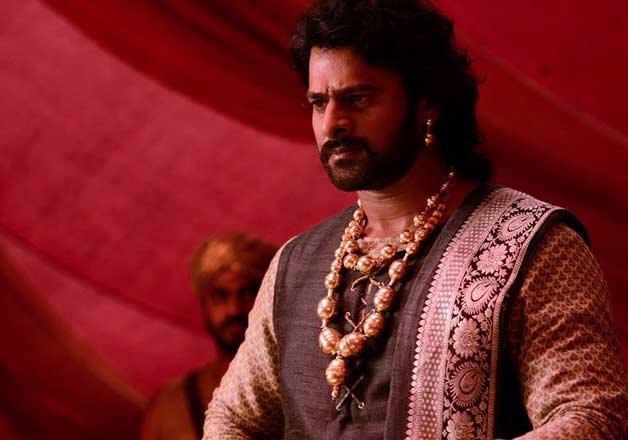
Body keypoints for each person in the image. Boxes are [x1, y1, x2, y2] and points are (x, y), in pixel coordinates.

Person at [203, 1, 628, 439]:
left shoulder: (532, 246)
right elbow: (231, 419)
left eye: (358, 99)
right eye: (319, 102)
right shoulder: (295, 266)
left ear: (428, 103)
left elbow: (591, 418)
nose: (333, 123)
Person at [140, 233, 277, 440]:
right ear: (204, 304)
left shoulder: (300, 391)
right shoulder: (169, 408)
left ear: (269, 298)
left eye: (248, 294)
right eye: (220, 296)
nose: (234, 309)